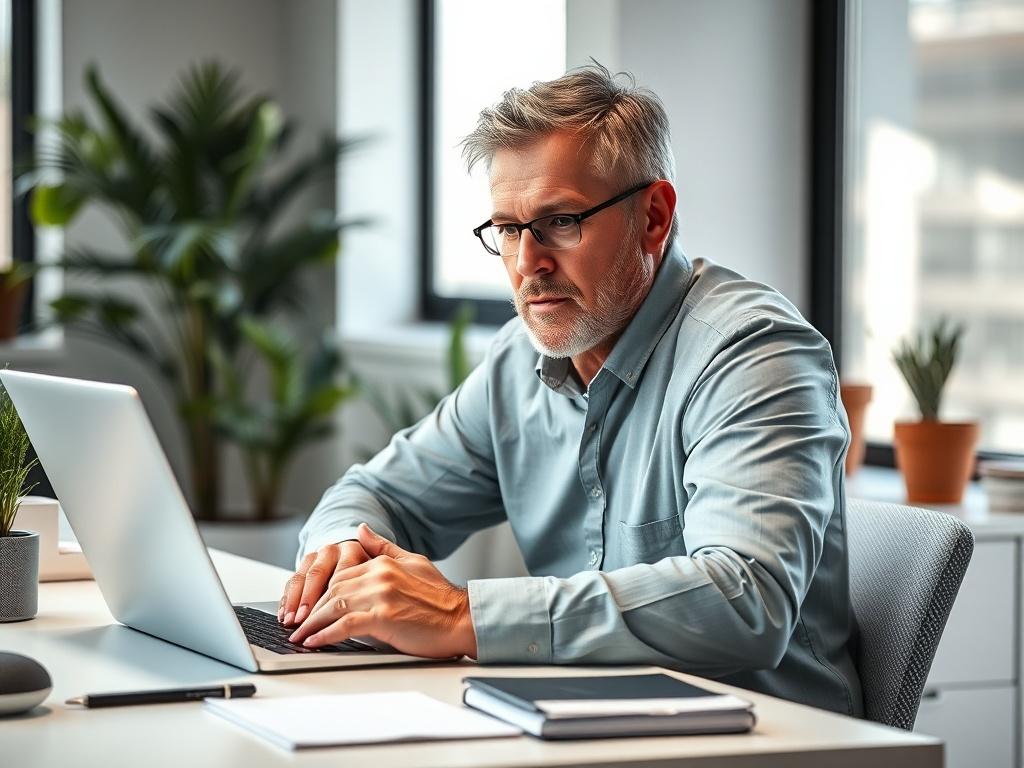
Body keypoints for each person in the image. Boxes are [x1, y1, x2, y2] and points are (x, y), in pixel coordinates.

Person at [280, 63, 863, 716]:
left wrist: (461, 613)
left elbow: (744, 599)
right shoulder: (517, 364)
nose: (529, 263)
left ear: (654, 217)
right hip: (574, 723)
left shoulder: (754, 352)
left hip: (772, 741)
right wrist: (338, 562)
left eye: (560, 221)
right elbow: (377, 495)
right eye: (506, 228)